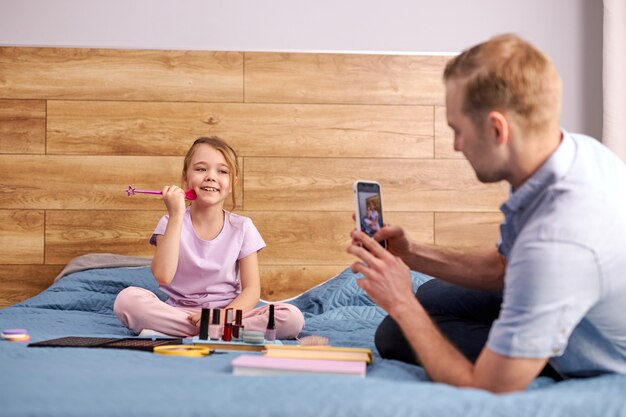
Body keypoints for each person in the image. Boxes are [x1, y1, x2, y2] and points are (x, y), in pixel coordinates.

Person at [347, 34, 626, 393]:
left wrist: (401, 302)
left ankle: (526, 346)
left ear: (497, 129)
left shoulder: (558, 240)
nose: (455, 145)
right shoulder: (572, 155)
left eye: (458, 130)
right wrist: (411, 254)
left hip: (591, 352)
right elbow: (505, 267)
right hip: (567, 289)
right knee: (431, 294)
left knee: (396, 330)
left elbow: (485, 387)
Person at [114, 136, 304, 339]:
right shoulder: (170, 221)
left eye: (222, 171)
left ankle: (194, 331)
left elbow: (251, 289)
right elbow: (163, 275)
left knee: (291, 318)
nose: (211, 177)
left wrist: (223, 317)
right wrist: (177, 215)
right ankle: (215, 333)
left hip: (228, 314)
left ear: (232, 184)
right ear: (185, 179)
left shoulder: (243, 227)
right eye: (201, 169)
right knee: (127, 300)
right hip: (181, 313)